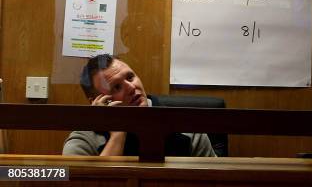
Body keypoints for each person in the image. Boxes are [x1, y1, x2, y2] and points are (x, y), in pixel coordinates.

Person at [62, 54, 216, 157]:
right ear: (97, 101)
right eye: (116, 87)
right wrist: (117, 135)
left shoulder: (184, 126)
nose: (131, 87)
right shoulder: (84, 140)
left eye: (130, 77)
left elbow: (216, 180)